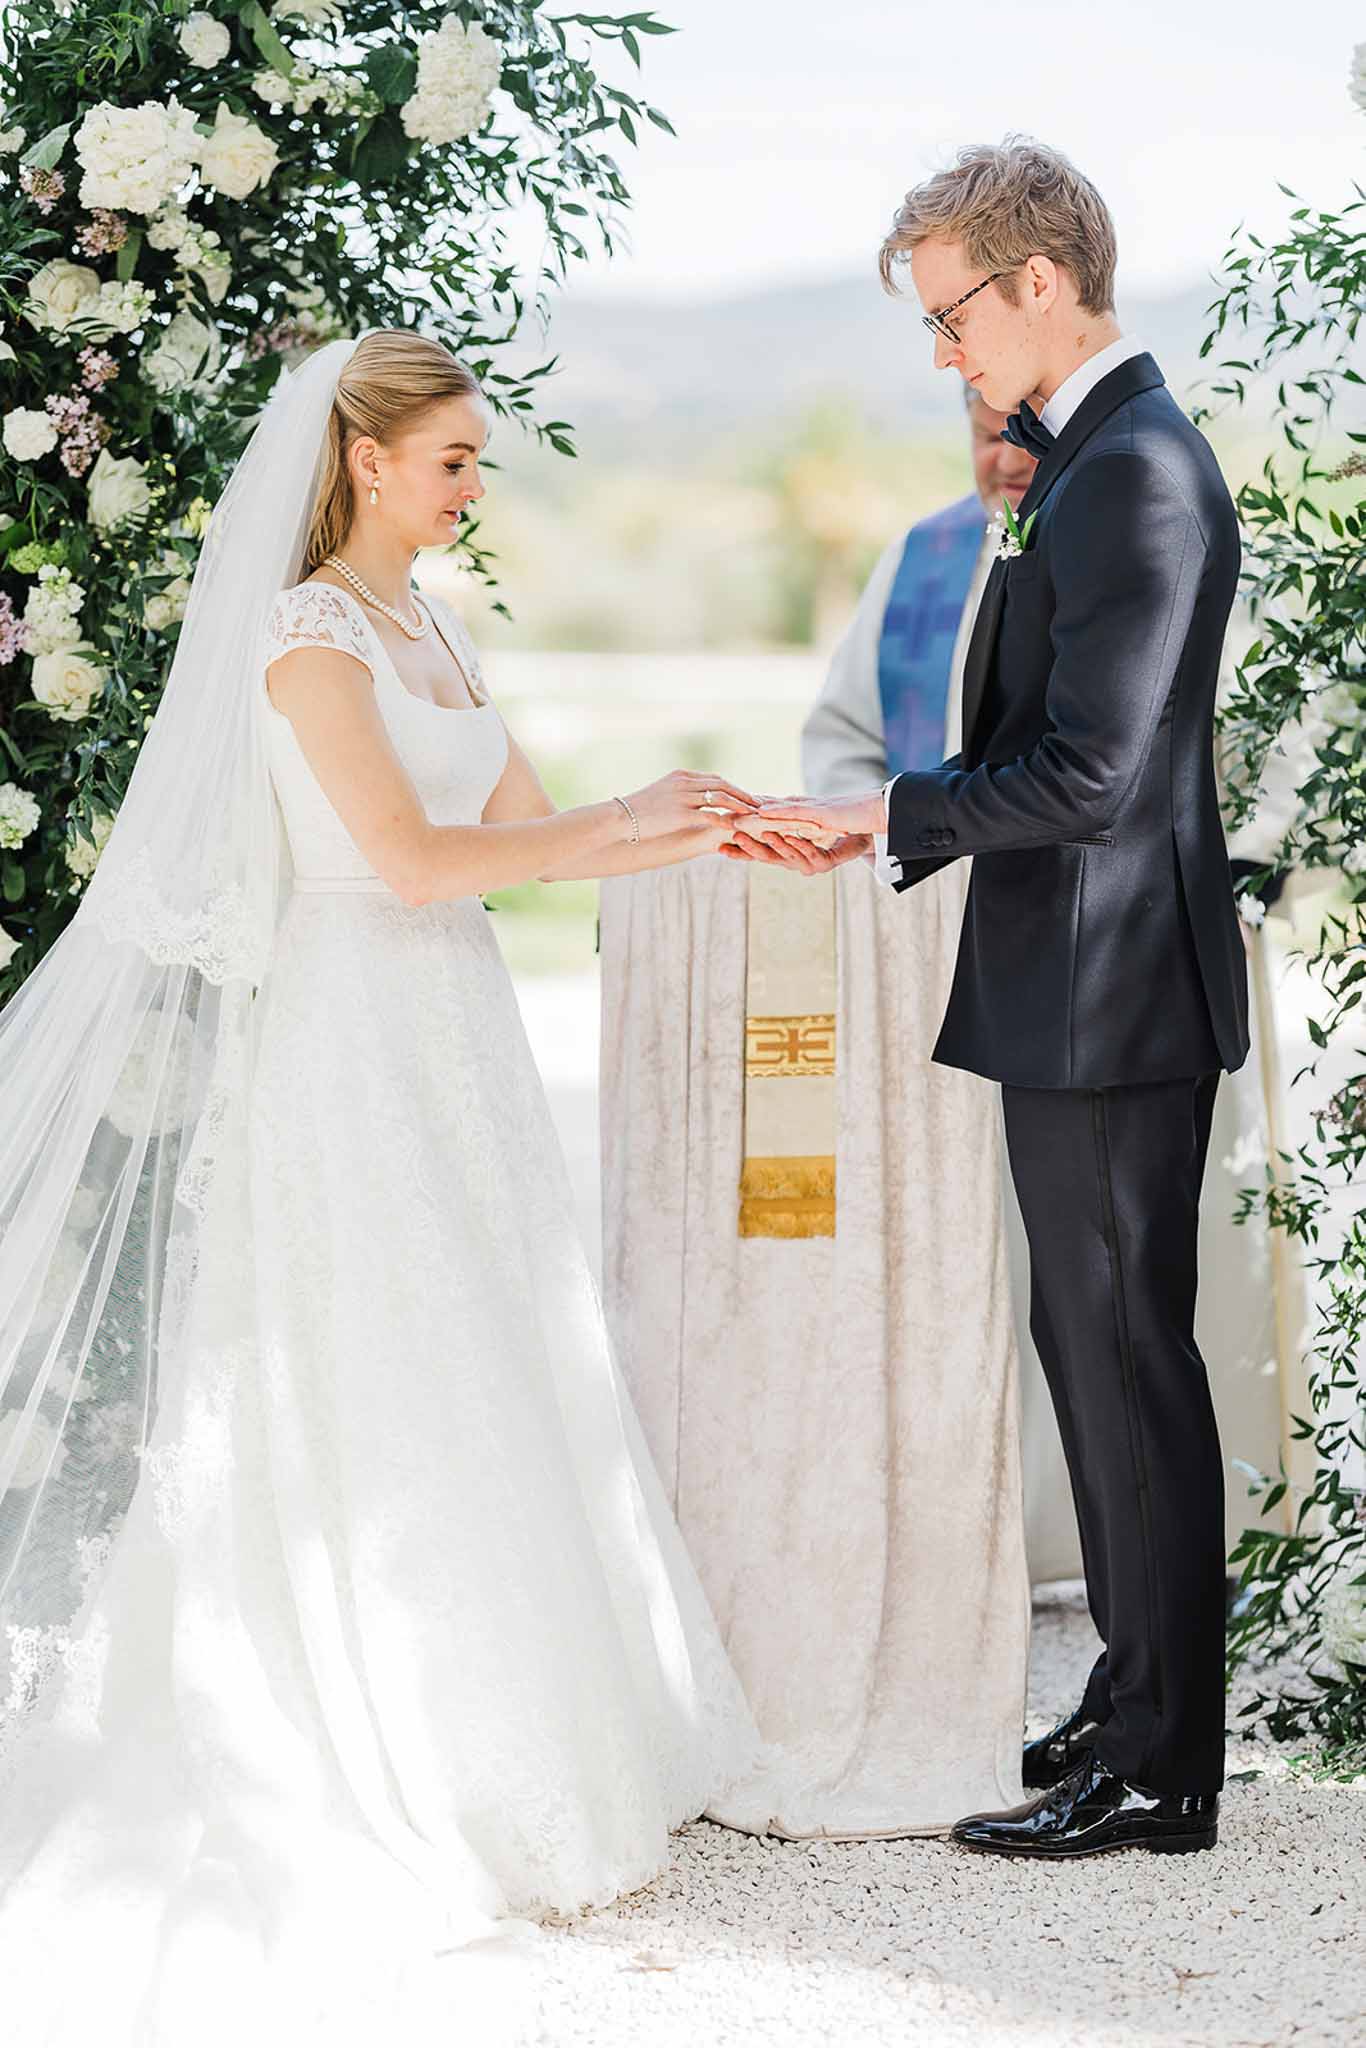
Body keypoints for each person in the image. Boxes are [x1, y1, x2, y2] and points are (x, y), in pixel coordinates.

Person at [0, 328, 766, 2044]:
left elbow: (542, 822)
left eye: (475, 464)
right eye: (451, 464)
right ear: (361, 460)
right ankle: (384, 1743)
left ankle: (530, 1719)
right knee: (370, 1366)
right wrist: (609, 823)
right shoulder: (305, 644)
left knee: (491, 1347)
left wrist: (716, 823)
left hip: (458, 1036)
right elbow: (416, 864)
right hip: (350, 1038)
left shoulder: (430, 624)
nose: (470, 487)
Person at [742, 136, 1248, 1859]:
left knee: (1127, 1361)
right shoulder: (1082, 453)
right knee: (1085, 1348)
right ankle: (1130, 1694)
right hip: (1072, 979)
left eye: (954, 316)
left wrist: (886, 815)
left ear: (1040, 283)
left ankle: (1167, 1771)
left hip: (1114, 987)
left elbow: (1098, 772)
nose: (945, 355)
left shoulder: (1134, 471)